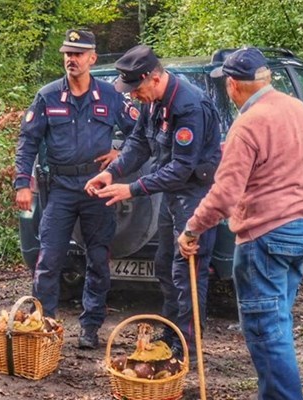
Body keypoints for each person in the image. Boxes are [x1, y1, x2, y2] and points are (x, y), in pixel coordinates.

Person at [177, 47, 303, 399]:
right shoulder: (302, 111)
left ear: (232, 85)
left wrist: (192, 229)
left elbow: (224, 194)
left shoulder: (248, 124)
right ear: (266, 78)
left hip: (267, 235)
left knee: (266, 330)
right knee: (277, 321)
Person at [85, 45, 222, 362]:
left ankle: (187, 347)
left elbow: (182, 168)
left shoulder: (190, 106)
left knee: (187, 272)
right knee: (165, 266)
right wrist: (111, 172)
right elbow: (138, 144)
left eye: (136, 89)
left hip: (195, 196)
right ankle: (172, 332)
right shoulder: (152, 102)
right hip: (171, 195)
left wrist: (131, 189)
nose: (133, 96)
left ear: (153, 78)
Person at [14, 29, 136, 349]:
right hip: (61, 189)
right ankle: (44, 326)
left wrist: (120, 153)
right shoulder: (48, 96)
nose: (72, 59)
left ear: (92, 58)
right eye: (68, 53)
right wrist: (22, 183)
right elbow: (28, 142)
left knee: (98, 260)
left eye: (78, 54)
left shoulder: (110, 96)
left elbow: (141, 134)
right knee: (48, 260)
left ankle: (90, 327)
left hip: (97, 188)